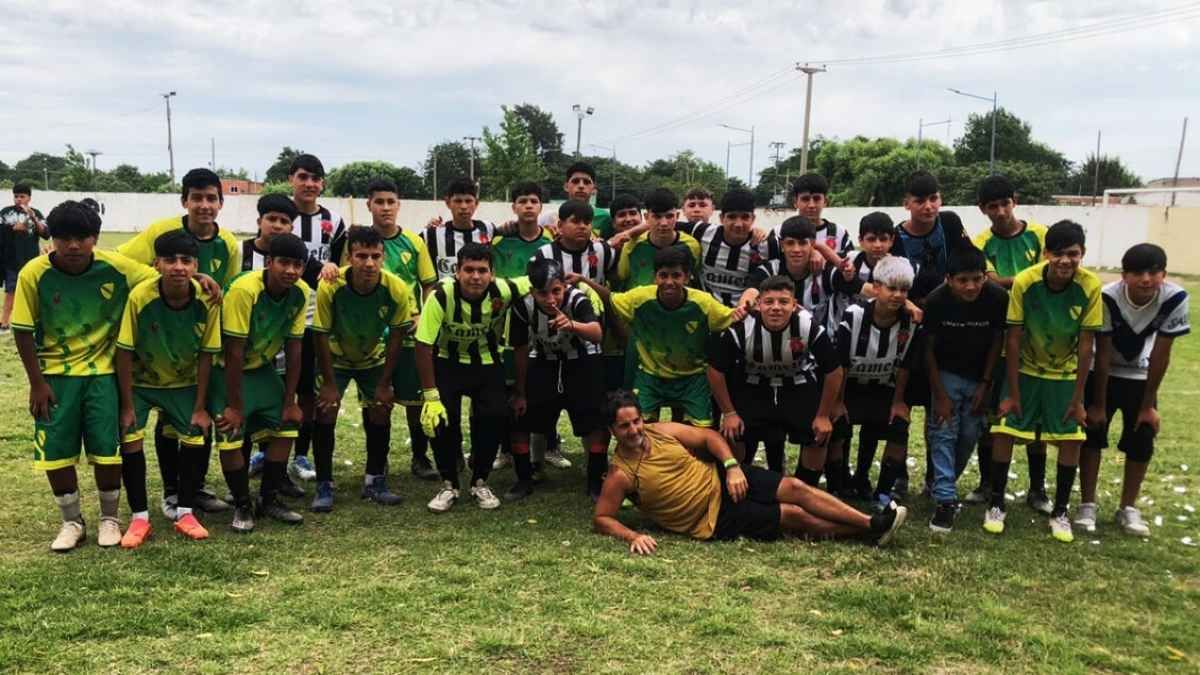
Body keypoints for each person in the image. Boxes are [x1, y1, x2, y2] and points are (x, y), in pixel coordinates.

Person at [12, 201, 158, 551]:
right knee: (57, 454)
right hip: (55, 378)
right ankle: (71, 522)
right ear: (52, 239)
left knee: (107, 451)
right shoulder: (34, 273)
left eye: (82, 237)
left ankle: (110, 519)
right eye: (64, 238)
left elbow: (160, 279)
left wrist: (197, 278)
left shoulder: (116, 267)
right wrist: (37, 383)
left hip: (104, 376)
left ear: (95, 238)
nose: (73, 246)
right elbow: (20, 329)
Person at [593, 392, 908, 552]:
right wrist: (634, 535)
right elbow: (602, 518)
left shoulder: (659, 430)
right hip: (711, 519)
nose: (635, 429)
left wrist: (731, 467)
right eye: (625, 425)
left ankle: (871, 521)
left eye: (636, 420)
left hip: (724, 479)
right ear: (612, 430)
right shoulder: (620, 474)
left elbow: (709, 437)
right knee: (790, 515)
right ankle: (869, 532)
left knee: (795, 487)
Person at [117, 168, 240, 518]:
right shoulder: (162, 232)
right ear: (184, 201)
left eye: (211, 198)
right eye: (196, 198)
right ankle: (172, 491)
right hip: (158, 339)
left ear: (221, 202)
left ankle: (194, 488)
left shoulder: (227, 243)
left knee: (197, 418)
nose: (204, 205)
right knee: (167, 422)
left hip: (199, 342)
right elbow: (124, 260)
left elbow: (223, 291)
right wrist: (184, 275)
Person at [985, 220, 1102, 543]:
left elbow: (1087, 344)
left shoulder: (1091, 286)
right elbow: (1013, 337)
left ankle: (1061, 510)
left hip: (1063, 372)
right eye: (1059, 254)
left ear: (1083, 254)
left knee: (1071, 438)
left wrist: (1079, 398)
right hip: (1024, 368)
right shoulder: (1026, 281)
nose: (1066, 261)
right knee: (1005, 430)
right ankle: (996, 503)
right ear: (1046, 253)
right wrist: (1011, 391)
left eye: (1073, 254)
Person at [115, 230, 221, 546]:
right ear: (156, 263)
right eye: (170, 260)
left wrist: (201, 407)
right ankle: (139, 519)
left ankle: (185, 512)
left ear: (195, 265)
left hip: (184, 384)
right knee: (130, 436)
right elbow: (124, 351)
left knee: (195, 432)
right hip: (142, 383)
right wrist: (127, 405)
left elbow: (206, 355)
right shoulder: (140, 296)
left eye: (186, 261)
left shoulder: (209, 298)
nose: (178, 267)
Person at [1080, 243, 1188, 537]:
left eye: (1154, 272)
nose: (1146, 280)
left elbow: (1162, 354)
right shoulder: (1107, 297)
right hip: (1103, 372)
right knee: (1092, 435)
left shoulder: (1175, 297)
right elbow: (1101, 352)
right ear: (1124, 275)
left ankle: (1128, 507)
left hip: (1141, 376)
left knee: (1142, 437)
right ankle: (1086, 503)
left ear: (1163, 274)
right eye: (1138, 272)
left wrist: (1148, 404)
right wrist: (1098, 404)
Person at [415, 243, 529, 513]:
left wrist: (580, 285)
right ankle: (449, 483)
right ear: (457, 271)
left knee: (494, 416)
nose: (476, 276)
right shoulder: (442, 295)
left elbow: (539, 279)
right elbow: (423, 344)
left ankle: (480, 480)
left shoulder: (504, 290)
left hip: (487, 363)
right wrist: (431, 397)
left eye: (482, 270)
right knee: (441, 418)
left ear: (492, 273)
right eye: (469, 270)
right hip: (446, 362)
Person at [210, 233, 312, 531]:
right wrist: (235, 406)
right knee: (231, 435)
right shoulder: (245, 289)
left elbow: (295, 349)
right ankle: (243, 504)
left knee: (288, 426)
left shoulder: (300, 291)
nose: (291, 271)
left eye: (297, 265)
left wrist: (290, 401)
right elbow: (233, 350)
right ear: (269, 262)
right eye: (284, 263)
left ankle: (269, 499)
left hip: (261, 368)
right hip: (225, 368)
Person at [310, 226, 417, 512]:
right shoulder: (330, 285)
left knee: (381, 409)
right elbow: (319, 334)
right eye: (361, 256)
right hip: (336, 359)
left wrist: (385, 383)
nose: (369, 263)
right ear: (349, 257)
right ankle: (324, 484)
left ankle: (375, 480)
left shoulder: (395, 287)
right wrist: (330, 384)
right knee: (325, 409)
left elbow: (396, 336)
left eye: (375, 256)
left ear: (383, 257)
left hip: (372, 357)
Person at [341, 179, 440, 481]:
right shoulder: (353, 242)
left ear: (399, 205)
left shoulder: (414, 241)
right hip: (370, 336)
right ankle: (378, 461)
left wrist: (423, 317)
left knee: (414, 400)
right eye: (379, 201)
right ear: (369, 204)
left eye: (390, 201)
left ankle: (419, 456)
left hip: (408, 333)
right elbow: (342, 282)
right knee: (375, 401)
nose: (385, 207)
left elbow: (428, 284)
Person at [708, 275, 844, 486]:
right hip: (753, 383)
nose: (776, 308)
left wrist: (823, 415)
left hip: (796, 382)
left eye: (783, 302)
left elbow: (834, 371)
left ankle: (807, 489)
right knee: (734, 432)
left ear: (794, 305)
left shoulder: (808, 326)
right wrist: (729, 413)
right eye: (769, 301)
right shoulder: (742, 326)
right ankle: (737, 484)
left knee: (819, 434)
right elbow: (715, 370)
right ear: (759, 304)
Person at [967, 174, 1052, 513]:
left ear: (1014, 201)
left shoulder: (1041, 234)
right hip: (996, 338)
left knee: (1036, 418)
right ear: (983, 209)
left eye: (1005, 203)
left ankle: (1038, 489)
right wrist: (1029, 278)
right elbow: (986, 285)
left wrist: (1007, 282)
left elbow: (1053, 276)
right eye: (993, 206)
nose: (1001, 211)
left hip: (1038, 340)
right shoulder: (980, 242)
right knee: (992, 416)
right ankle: (987, 483)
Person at [609, 246, 745, 428]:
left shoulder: (703, 302)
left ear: (687, 277)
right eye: (663, 275)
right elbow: (610, 298)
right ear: (655, 276)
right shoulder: (639, 298)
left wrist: (748, 307)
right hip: (651, 375)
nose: (669, 282)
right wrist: (583, 280)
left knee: (700, 431)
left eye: (676, 275)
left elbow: (731, 317)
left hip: (693, 377)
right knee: (642, 427)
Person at [921, 248, 1006, 532]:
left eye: (977, 279)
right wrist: (940, 395)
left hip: (979, 376)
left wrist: (986, 383)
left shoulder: (996, 298)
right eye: (963, 280)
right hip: (946, 373)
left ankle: (940, 483)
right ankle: (945, 500)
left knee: (970, 434)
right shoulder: (936, 301)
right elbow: (928, 351)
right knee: (943, 432)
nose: (971, 286)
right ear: (949, 279)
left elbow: (997, 341)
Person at [508, 259, 606, 500]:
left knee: (594, 422)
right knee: (521, 419)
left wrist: (573, 325)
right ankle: (524, 478)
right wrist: (520, 391)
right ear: (532, 291)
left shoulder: (578, 299)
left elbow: (597, 333)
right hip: (543, 361)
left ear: (564, 286)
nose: (551, 299)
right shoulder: (523, 306)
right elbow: (519, 349)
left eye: (556, 291)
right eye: (543, 293)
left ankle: (595, 482)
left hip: (581, 362)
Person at [833, 256, 920, 510]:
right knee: (838, 427)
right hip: (850, 388)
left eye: (903, 290)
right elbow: (842, 364)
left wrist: (899, 402)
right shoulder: (854, 315)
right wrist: (837, 402)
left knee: (898, 425)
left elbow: (904, 365)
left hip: (883, 389)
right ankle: (839, 488)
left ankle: (881, 492)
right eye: (892, 288)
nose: (897, 295)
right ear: (876, 287)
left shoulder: (910, 322)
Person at [283, 154, 347, 485]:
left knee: (307, 389)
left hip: (313, 318)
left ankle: (301, 454)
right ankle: (268, 450)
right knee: (276, 387)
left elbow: (334, 269)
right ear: (291, 178)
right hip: (278, 315)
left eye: (316, 178)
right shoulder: (281, 216)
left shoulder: (334, 222)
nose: (310, 184)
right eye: (303, 177)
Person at [680, 188, 780, 307]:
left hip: (745, 316)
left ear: (753, 219)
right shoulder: (704, 231)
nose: (738, 224)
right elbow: (667, 226)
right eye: (732, 217)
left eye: (745, 217)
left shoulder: (766, 245)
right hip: (708, 312)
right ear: (721, 218)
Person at [616, 188, 700, 290]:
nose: (664, 223)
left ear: (677, 216)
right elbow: (622, 277)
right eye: (657, 217)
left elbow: (696, 279)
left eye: (669, 216)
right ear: (646, 217)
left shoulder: (692, 246)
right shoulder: (632, 245)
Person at [0, 183, 48, 330]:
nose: (19, 199)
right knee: (11, 291)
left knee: (34, 291)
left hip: (31, 260)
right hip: (11, 260)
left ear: (29, 198)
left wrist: (33, 218)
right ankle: (4, 322)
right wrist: (12, 228)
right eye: (16, 196)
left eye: (22, 196)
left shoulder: (37, 213)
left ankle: (35, 320)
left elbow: (45, 234)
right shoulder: (6, 212)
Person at [540, 162, 613, 238]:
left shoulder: (605, 218)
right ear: (566, 186)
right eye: (575, 181)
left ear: (594, 189)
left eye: (586, 182)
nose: (581, 186)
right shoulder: (549, 218)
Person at [791, 173, 854, 257]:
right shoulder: (780, 232)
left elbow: (850, 264)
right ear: (795, 202)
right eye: (805, 199)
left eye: (816, 199)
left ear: (825, 202)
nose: (811, 205)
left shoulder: (839, 233)